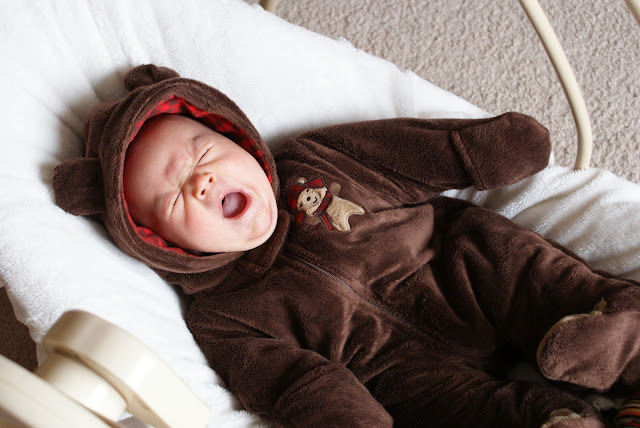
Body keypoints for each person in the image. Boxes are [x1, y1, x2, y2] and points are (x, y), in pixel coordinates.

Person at [53, 64, 640, 428]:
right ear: (162, 244)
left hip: (451, 268)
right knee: (455, 414)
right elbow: (295, 383)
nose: (201, 182)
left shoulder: (312, 164)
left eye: (204, 156)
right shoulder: (222, 315)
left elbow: (401, 156)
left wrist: (472, 151)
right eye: (175, 200)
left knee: (511, 264)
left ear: (237, 138)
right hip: (400, 370)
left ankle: (617, 333)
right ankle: (555, 420)